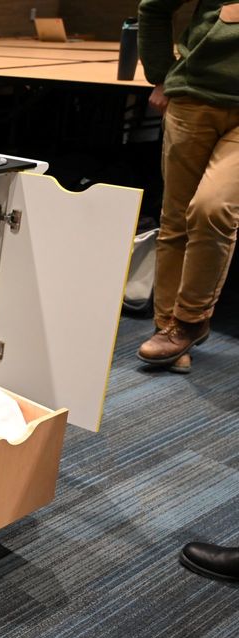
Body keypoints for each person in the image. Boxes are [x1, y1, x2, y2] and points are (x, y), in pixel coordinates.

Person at [136, 1, 239, 371]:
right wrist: (162, 74)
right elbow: (154, 6)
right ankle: (169, 331)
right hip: (194, 98)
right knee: (175, 221)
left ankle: (191, 320)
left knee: (213, 207)